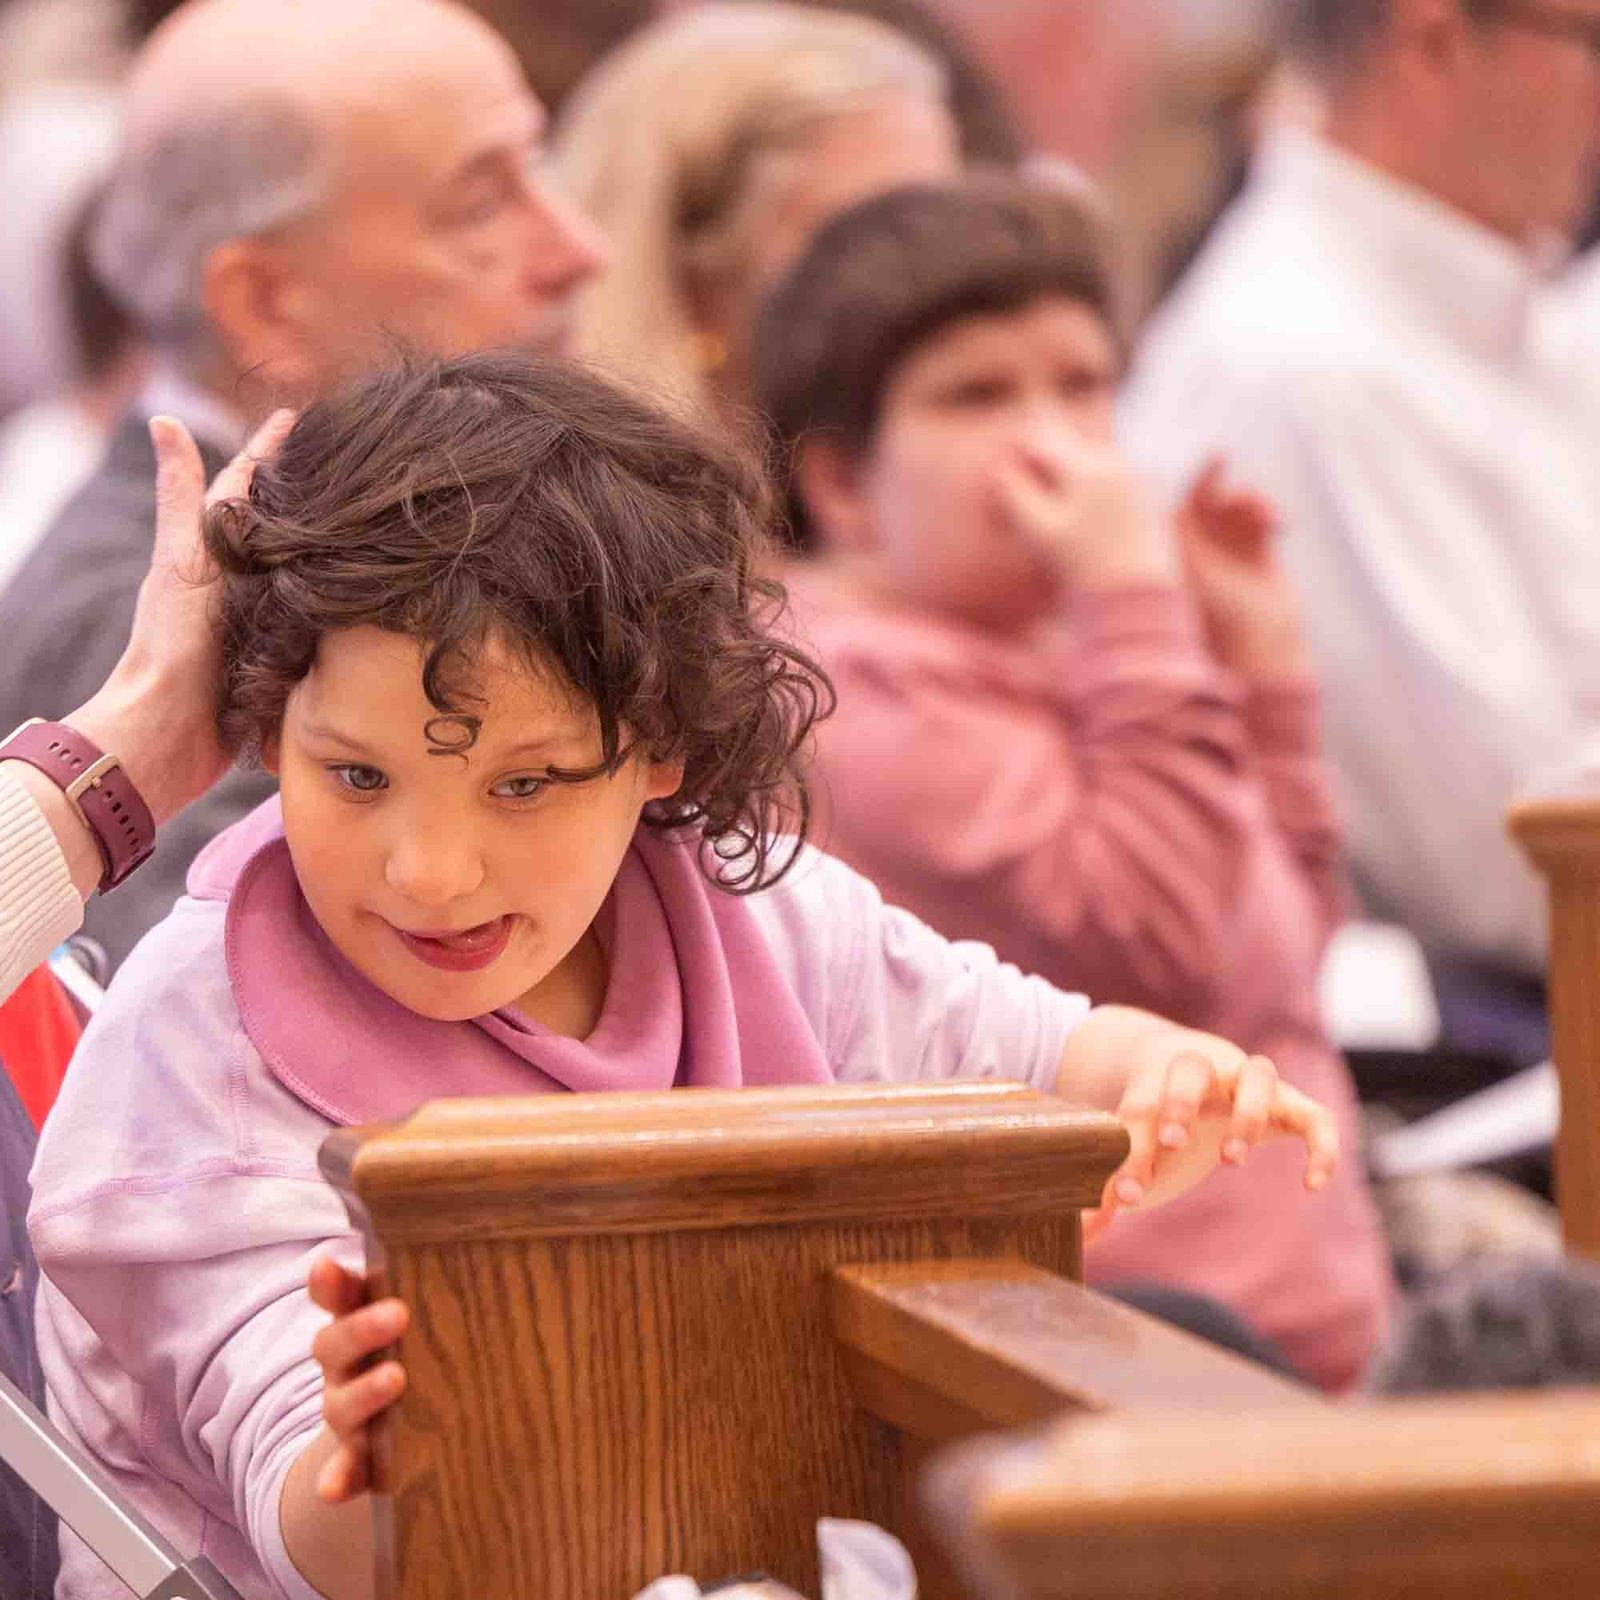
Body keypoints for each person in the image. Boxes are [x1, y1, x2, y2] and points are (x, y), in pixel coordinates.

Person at [30, 353, 1340, 1598]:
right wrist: (384, 1467)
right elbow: (328, 1520)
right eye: (357, 776)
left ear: (657, 747)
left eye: (526, 784)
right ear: (264, 723)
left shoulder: (745, 903)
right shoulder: (199, 1046)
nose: (429, 871)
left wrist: (1154, 1076)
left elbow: (1019, 1051)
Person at [753, 175, 1391, 1389]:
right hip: (1114, 1354)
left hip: (1301, 1334)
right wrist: (1134, 602)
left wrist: (1259, 673)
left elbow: (1277, 967)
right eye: (978, 395)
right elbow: (1151, 943)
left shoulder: (1084, 661)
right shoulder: (844, 693)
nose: (1052, 437)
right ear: (840, 483)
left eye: (1083, 385)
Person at [0, 0, 605, 971]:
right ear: (264, 301)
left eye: (539, 165)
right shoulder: (136, 622)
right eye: (480, 205)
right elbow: (274, 1043)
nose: (578, 249)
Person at [1121, 0, 1600, 995]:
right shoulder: (1301, 363)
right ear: (1430, 41)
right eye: (1590, 40)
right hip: (1461, 1069)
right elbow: (1527, 861)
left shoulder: (1517, 313)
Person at [551, 1, 960, 422]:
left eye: (938, 224)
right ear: (700, 276)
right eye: (862, 234)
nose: (929, 273)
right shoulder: (581, 473)